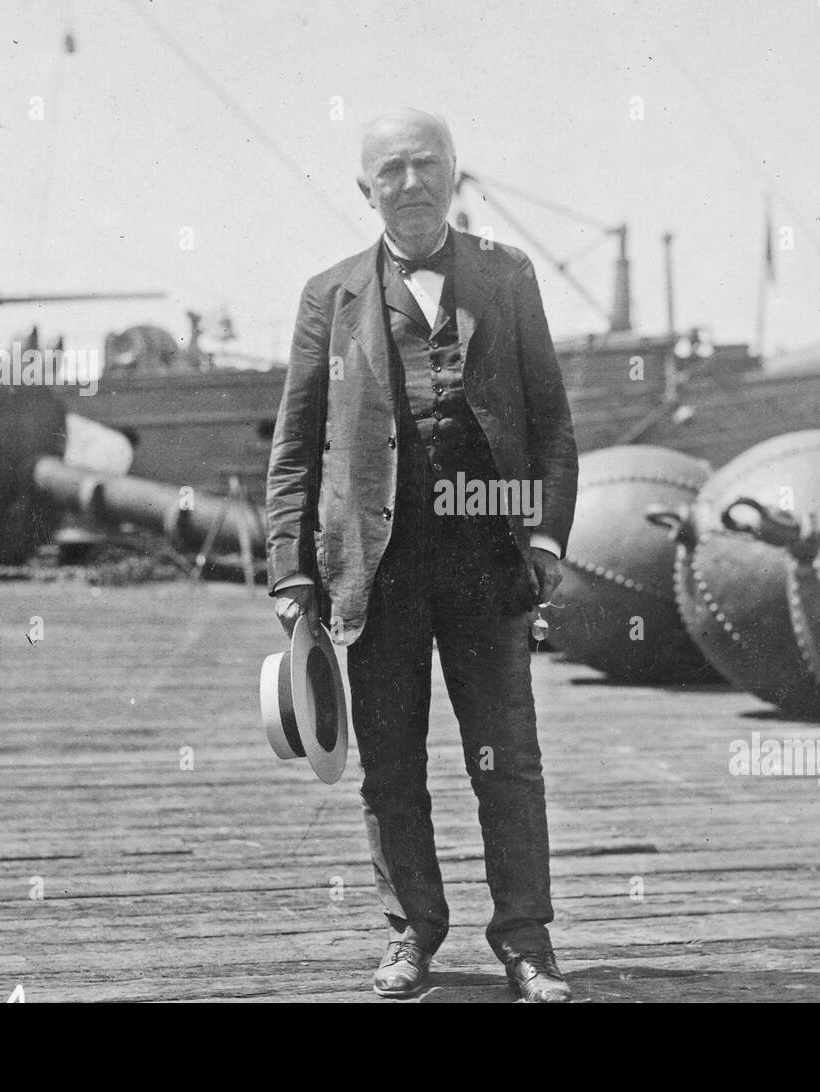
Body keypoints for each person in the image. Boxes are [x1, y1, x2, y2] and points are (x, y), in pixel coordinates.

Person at [265, 107, 579, 1002]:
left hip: (488, 565)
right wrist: (292, 570)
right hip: (376, 568)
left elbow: (552, 422)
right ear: (365, 189)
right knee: (390, 763)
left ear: (454, 171)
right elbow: (295, 449)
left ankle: (527, 942)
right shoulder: (329, 297)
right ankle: (412, 934)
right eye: (391, 170)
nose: (411, 182)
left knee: (507, 760)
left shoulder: (507, 275)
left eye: (426, 163)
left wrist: (547, 533)